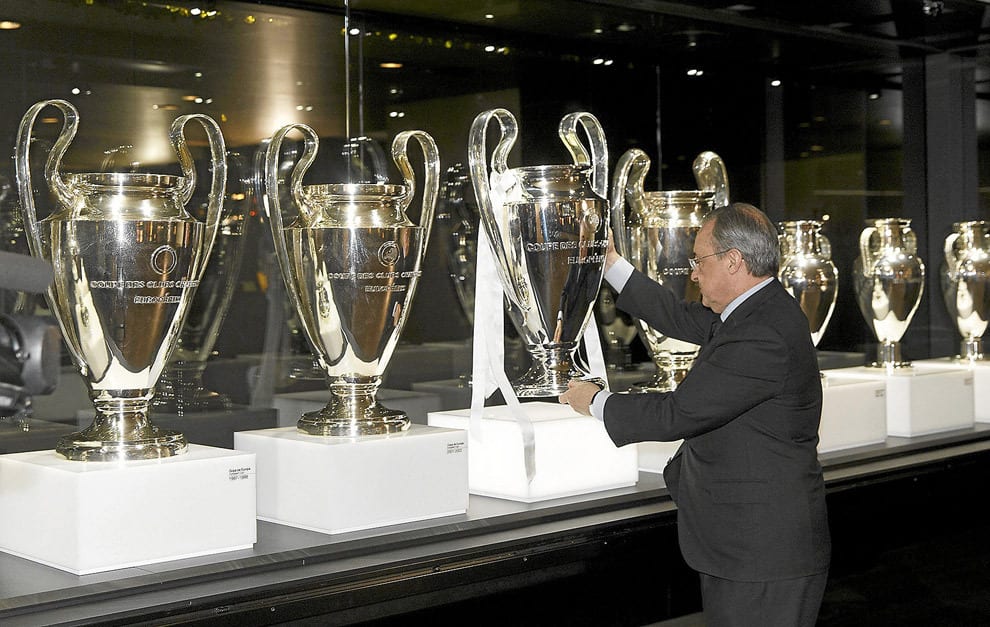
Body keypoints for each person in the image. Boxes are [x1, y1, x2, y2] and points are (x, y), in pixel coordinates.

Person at [559, 202, 831, 627]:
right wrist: (610, 263)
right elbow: (676, 315)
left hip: (761, 553)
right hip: (748, 548)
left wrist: (594, 400)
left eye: (700, 260)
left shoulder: (761, 332)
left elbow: (677, 414)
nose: (693, 273)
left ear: (733, 261)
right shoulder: (756, 310)